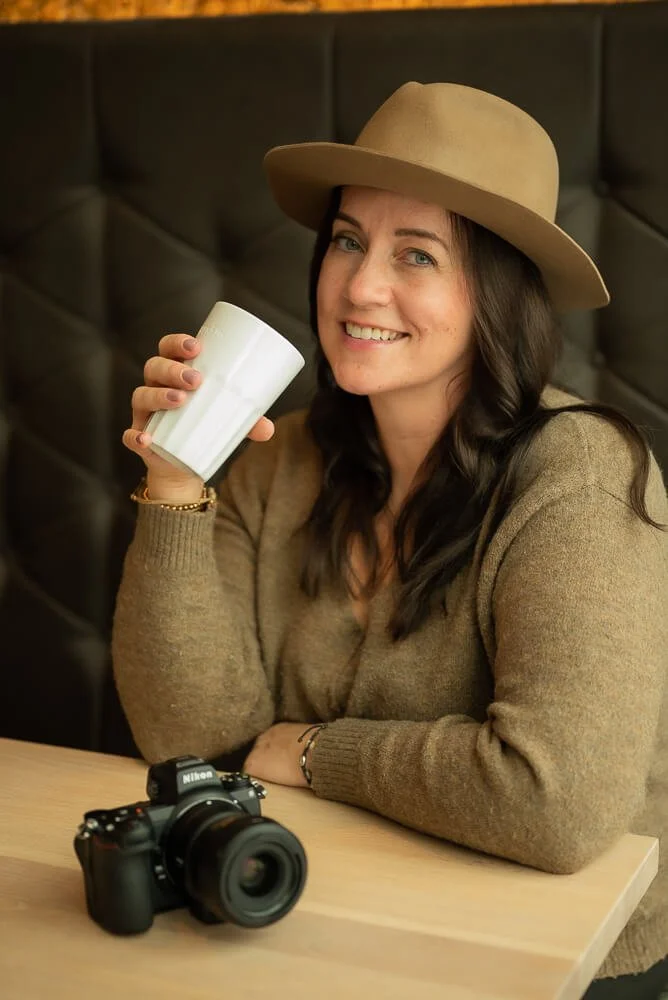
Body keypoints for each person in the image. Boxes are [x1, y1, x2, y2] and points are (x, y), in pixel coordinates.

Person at [112, 83, 668, 995]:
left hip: (559, 963)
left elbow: (555, 802)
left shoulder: (583, 472)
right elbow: (196, 740)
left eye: (418, 254)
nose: (361, 286)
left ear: (495, 291)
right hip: (321, 929)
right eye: (347, 241)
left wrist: (310, 751)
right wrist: (174, 480)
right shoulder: (275, 458)